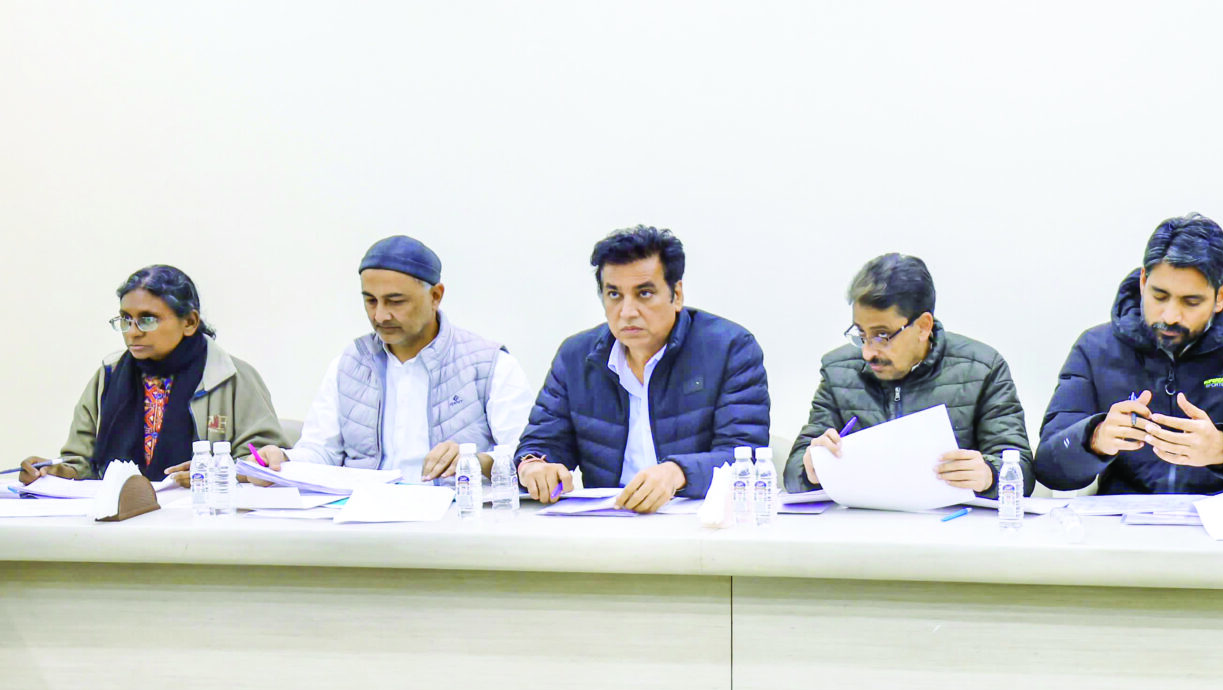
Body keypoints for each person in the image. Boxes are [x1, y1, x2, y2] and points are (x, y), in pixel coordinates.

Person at [1034, 213, 1223, 495]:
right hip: (1121, 531)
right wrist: (1094, 439)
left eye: (1191, 302)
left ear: (1222, 297)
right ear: (1143, 282)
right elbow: (1048, 466)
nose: (1170, 316)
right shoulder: (1096, 348)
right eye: (1159, 296)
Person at [514, 225, 770, 512]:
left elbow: (744, 457)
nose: (627, 312)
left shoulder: (729, 349)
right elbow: (541, 443)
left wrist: (677, 473)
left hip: (699, 525)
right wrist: (535, 466)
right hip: (608, 524)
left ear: (677, 295)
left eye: (644, 293)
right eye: (614, 295)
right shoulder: (576, 356)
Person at [255, 236, 533, 482]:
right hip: (364, 521)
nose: (380, 316)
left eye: (396, 301)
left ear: (436, 296)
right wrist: (283, 460)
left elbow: (528, 455)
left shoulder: (488, 365)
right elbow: (321, 450)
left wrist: (479, 461)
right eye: (371, 301)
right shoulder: (349, 365)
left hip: (454, 521)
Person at [786, 253, 1032, 496]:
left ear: (923, 326)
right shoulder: (839, 370)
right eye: (861, 335)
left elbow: (1022, 471)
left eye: (882, 335)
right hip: (862, 525)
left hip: (954, 526)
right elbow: (793, 472)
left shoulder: (982, 368)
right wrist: (811, 467)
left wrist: (990, 474)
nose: (868, 352)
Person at [18, 265, 288, 484]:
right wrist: (55, 473)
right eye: (125, 319)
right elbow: (81, 462)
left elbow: (265, 462)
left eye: (147, 319)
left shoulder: (232, 377)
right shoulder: (108, 377)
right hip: (119, 522)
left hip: (204, 524)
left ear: (190, 322)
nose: (132, 332)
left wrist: (214, 473)